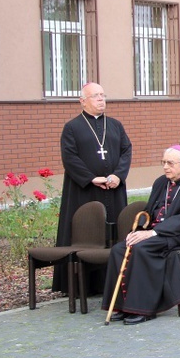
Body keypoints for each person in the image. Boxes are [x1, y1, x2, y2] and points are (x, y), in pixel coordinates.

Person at [102, 145, 180, 325]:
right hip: (156, 233)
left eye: (170, 163)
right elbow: (150, 211)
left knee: (142, 249)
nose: (165, 167)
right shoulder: (161, 182)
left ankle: (143, 309)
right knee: (119, 249)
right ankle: (123, 306)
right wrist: (141, 228)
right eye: (163, 163)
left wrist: (153, 232)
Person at [55, 82, 132, 293]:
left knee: (114, 231)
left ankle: (115, 281)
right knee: (88, 234)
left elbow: (126, 150)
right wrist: (91, 178)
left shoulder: (115, 125)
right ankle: (85, 286)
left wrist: (118, 175)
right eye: (95, 96)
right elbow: (69, 158)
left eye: (103, 95)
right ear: (82, 101)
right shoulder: (72, 127)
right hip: (85, 192)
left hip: (113, 189)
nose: (101, 99)